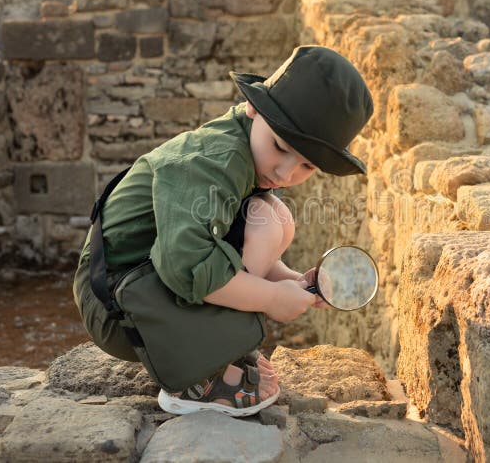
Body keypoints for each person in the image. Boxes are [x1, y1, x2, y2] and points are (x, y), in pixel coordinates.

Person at [72, 45, 373, 417]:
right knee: (264, 220)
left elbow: (225, 240)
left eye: (306, 166)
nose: (284, 173)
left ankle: (213, 341)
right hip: (117, 306)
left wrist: (292, 283)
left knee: (275, 216)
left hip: (140, 282)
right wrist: (269, 299)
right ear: (253, 107)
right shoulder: (216, 161)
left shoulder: (244, 145)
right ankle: (198, 380)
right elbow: (187, 264)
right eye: (280, 148)